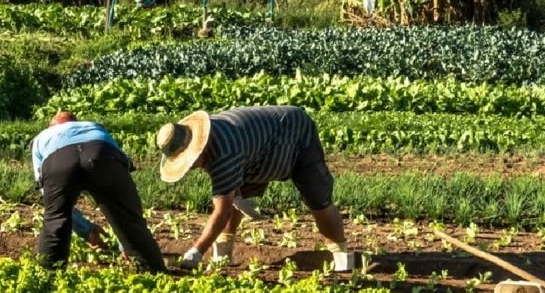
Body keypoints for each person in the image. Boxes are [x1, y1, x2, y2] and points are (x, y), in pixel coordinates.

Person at [156, 106, 351, 269]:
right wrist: (237, 195)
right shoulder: (212, 140)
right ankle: (222, 256)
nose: (192, 166)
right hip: (257, 150)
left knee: (318, 199)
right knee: (232, 196)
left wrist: (197, 251)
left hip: (295, 132)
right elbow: (228, 192)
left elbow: (221, 211)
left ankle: (342, 257)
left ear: (198, 147)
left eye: (190, 160)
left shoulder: (223, 151)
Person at [32, 111, 166, 272]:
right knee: (128, 217)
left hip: (58, 162)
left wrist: (86, 230)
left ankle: (46, 282)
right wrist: (125, 243)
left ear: (51, 127)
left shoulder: (43, 137)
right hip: (101, 152)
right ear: (76, 122)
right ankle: (154, 276)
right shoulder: (93, 127)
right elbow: (122, 198)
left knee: (55, 220)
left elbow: (48, 196)